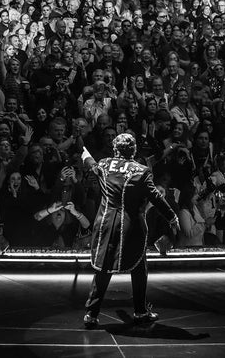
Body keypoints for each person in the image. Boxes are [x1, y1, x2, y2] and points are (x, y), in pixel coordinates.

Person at [81, 133, 179, 329]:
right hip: (131, 225)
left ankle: (91, 314)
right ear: (134, 150)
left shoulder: (104, 164)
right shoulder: (141, 171)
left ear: (115, 149)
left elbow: (90, 163)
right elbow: (156, 197)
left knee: (103, 267)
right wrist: (172, 217)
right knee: (139, 267)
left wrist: (84, 152)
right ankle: (140, 311)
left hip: (106, 223)